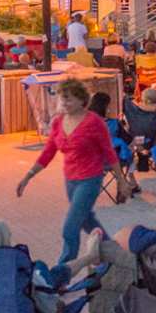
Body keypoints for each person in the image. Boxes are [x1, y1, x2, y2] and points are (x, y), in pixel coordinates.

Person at [16, 78, 130, 264]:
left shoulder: (94, 122)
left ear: (81, 100)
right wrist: (28, 177)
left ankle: (62, 273)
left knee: (70, 228)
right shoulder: (58, 123)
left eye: (68, 99)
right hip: (70, 180)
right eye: (62, 99)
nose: (64, 103)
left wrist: (122, 181)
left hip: (90, 179)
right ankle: (116, 256)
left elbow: (109, 153)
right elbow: (48, 153)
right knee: (87, 221)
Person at [0, 219, 103, 313]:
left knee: (40, 268)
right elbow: (50, 308)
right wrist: (57, 305)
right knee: (44, 271)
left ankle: (89, 258)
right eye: (9, 237)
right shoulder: (17, 273)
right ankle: (91, 256)